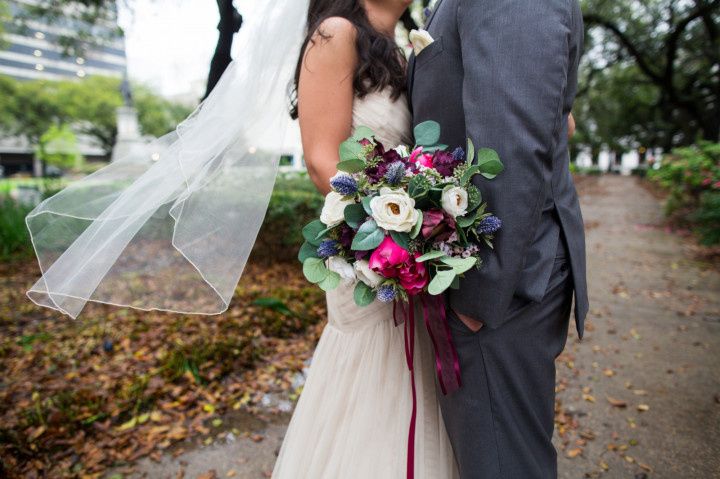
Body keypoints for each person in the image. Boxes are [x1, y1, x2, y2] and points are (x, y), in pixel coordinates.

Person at [272, 1, 458, 477]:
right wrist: (401, 223)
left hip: (412, 257)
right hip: (368, 250)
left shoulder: (402, 49)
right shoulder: (335, 34)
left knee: (415, 385)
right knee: (373, 385)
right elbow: (321, 161)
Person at [408, 0, 589, 477]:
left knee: (504, 464)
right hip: (494, 275)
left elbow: (510, 143)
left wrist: (477, 295)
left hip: (497, 284)